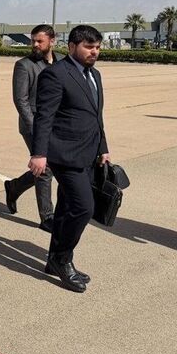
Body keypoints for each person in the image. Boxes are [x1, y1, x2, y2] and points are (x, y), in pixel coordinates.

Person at [29, 25, 109, 294]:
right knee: (84, 208)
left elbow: (97, 117)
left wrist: (103, 148)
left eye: (97, 47)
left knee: (65, 208)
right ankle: (63, 259)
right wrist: (39, 154)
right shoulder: (56, 75)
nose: (94, 52)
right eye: (89, 47)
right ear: (72, 46)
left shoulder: (95, 75)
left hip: (88, 153)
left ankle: (53, 259)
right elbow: (44, 117)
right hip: (64, 153)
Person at [4, 24, 64, 232]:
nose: (35, 45)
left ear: (52, 41)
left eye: (40, 41)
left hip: (56, 124)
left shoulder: (62, 63)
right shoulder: (24, 65)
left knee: (51, 167)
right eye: (33, 41)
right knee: (45, 170)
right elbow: (21, 101)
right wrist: (36, 130)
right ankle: (47, 216)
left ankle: (14, 187)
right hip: (34, 124)